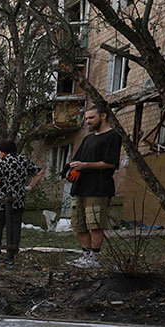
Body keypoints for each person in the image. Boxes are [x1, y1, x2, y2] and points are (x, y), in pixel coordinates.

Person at [68, 104, 121, 268]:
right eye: (87, 119)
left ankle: (95, 258)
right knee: (78, 223)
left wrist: (85, 165)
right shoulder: (87, 138)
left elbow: (110, 164)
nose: (88, 122)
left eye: (91, 118)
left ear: (103, 116)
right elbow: (76, 160)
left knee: (95, 223)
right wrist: (70, 170)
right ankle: (85, 255)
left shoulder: (113, 136)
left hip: (98, 187)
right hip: (80, 187)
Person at [0, 139, 44, 261]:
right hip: (18, 198)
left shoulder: (2, 162)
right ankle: (13, 248)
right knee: (15, 224)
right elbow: (39, 172)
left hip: (1, 199)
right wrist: (30, 186)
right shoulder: (23, 160)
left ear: (4, 151)